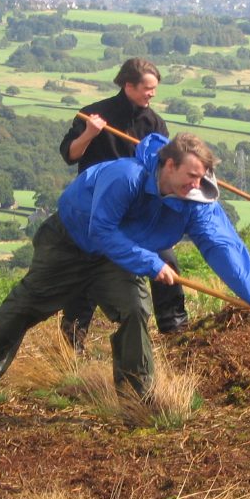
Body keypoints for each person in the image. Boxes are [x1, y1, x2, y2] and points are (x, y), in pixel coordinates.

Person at [0, 132, 250, 414]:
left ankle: (135, 398)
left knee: (135, 310)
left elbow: (223, 245)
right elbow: (102, 231)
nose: (196, 185)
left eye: (202, 177)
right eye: (191, 176)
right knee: (25, 306)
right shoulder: (126, 176)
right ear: (168, 165)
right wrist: (152, 264)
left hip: (119, 257)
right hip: (70, 245)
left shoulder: (195, 198)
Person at [58, 58, 188, 351]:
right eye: (147, 88)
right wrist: (90, 133)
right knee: (87, 266)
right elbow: (70, 154)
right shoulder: (95, 114)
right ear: (128, 85)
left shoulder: (153, 123)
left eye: (154, 89)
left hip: (137, 208)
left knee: (165, 257)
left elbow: (163, 166)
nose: (152, 94)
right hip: (97, 206)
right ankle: (72, 340)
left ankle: (175, 327)